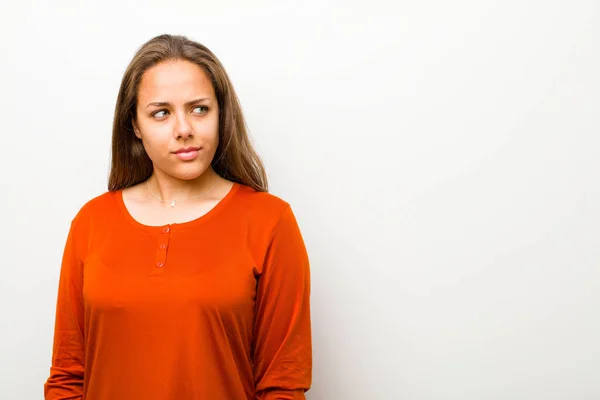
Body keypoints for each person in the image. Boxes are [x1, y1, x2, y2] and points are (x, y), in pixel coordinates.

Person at [44, 34, 312, 400]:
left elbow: (283, 384)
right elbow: (67, 378)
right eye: (161, 112)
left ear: (221, 114)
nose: (184, 129)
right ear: (135, 126)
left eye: (199, 108)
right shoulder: (92, 222)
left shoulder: (269, 221)